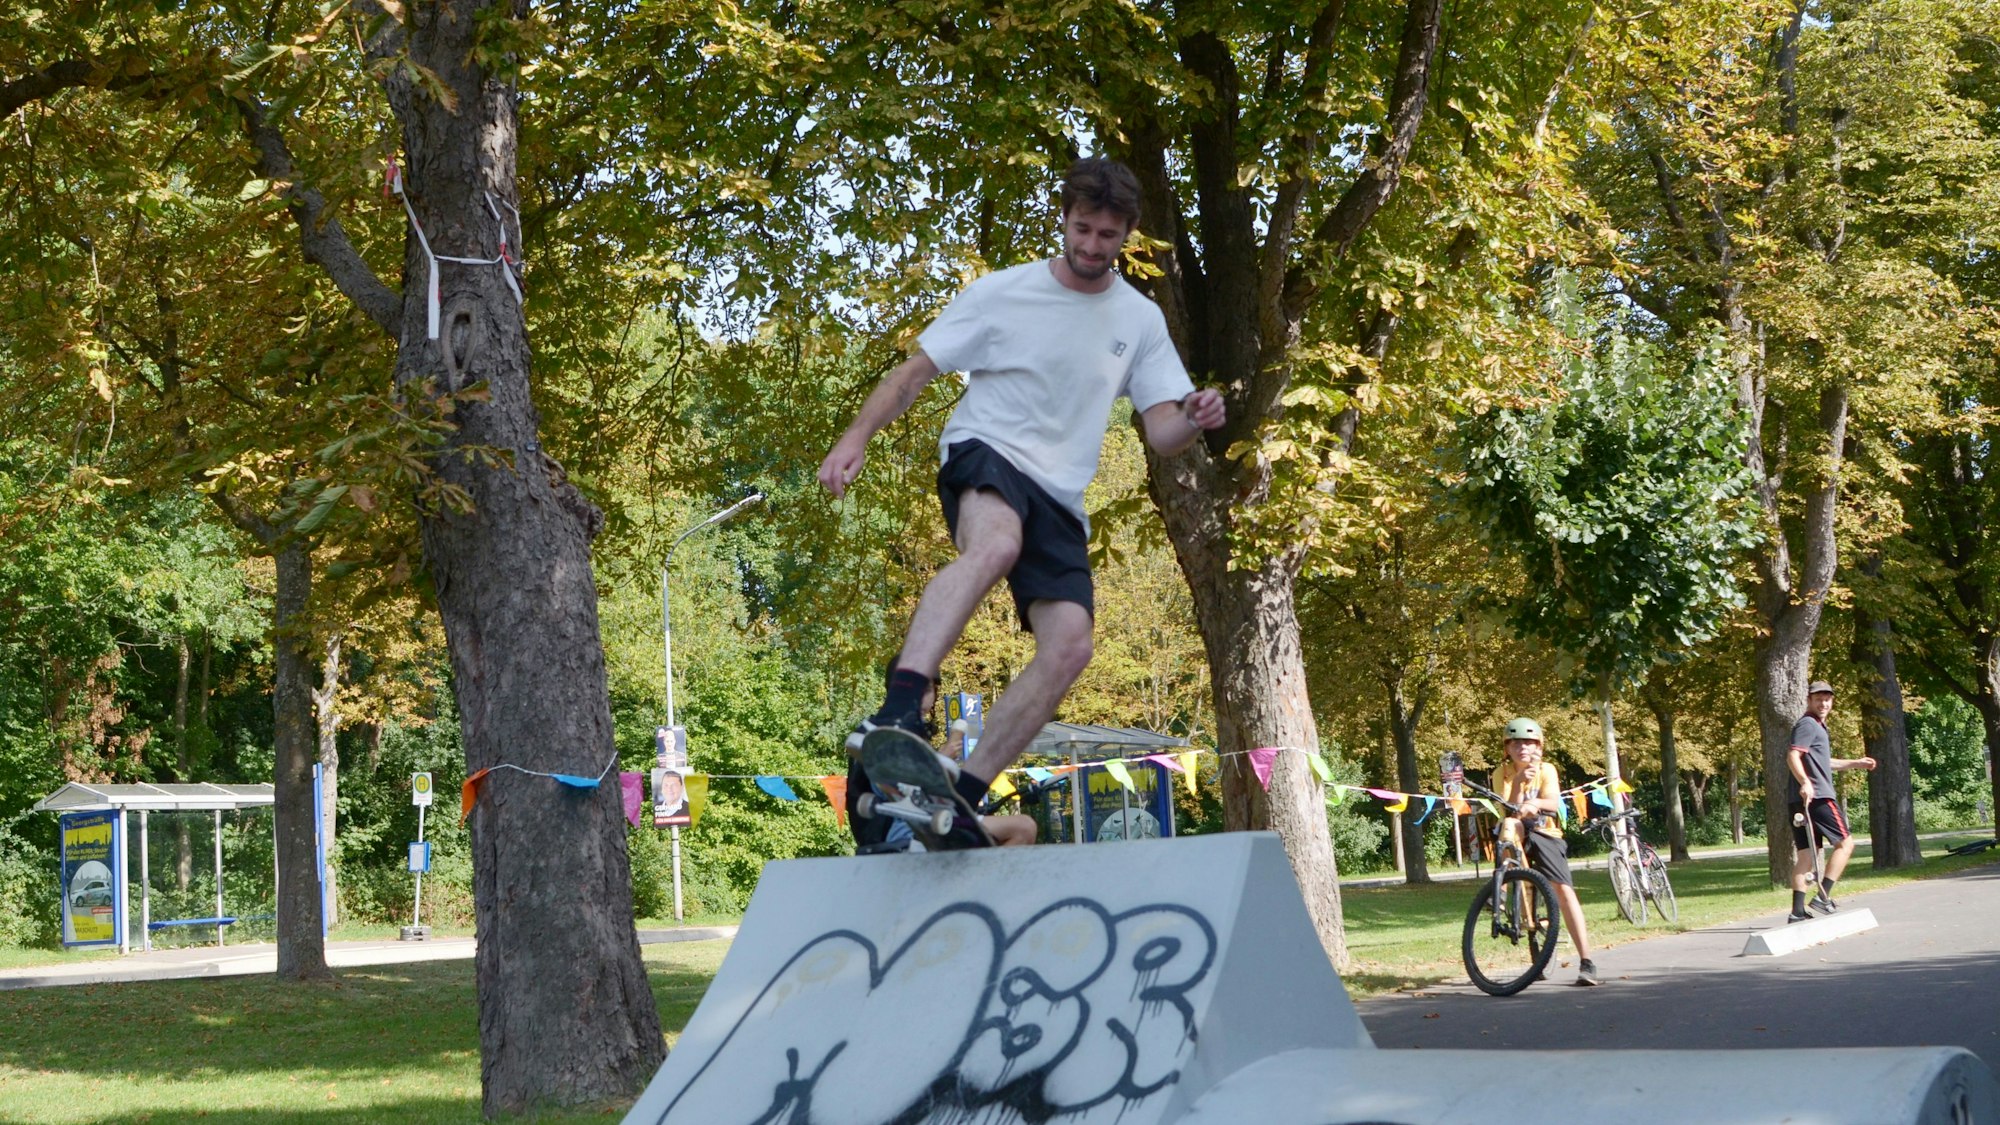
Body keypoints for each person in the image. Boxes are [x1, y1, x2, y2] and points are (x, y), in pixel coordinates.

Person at [818, 156, 1226, 848]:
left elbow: (1162, 433)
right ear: (1062, 219)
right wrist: (856, 435)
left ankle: (962, 796)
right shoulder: (1001, 294)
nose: (1093, 247)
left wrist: (1195, 415)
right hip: (988, 451)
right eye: (1083, 229)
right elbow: (914, 373)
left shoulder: (1139, 319)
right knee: (996, 543)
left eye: (1108, 236)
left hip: (1061, 495)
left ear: (1126, 235)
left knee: (1071, 647)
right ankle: (896, 711)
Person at [1493, 717, 1600, 987]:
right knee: (1509, 824)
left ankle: (1586, 961)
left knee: (1563, 891)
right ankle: (1502, 891)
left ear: (1539, 746)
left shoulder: (1547, 770)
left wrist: (1536, 802)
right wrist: (1518, 782)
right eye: (1515, 742)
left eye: (1528, 742)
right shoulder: (1501, 773)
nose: (1522, 747)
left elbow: (1552, 802)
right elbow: (1509, 810)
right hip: (1517, 833)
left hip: (1545, 833)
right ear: (1507, 748)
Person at [1787, 680, 1876, 923]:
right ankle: (1823, 897)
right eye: (1818, 699)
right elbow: (1793, 755)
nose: (1823, 703)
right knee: (1845, 844)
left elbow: (1822, 762)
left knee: (1807, 855)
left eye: (1827, 699)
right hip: (1817, 796)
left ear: (1832, 701)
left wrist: (1855, 763)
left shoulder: (1816, 727)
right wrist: (1805, 782)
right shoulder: (1808, 724)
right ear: (1809, 700)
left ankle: (1797, 912)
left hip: (1798, 799)